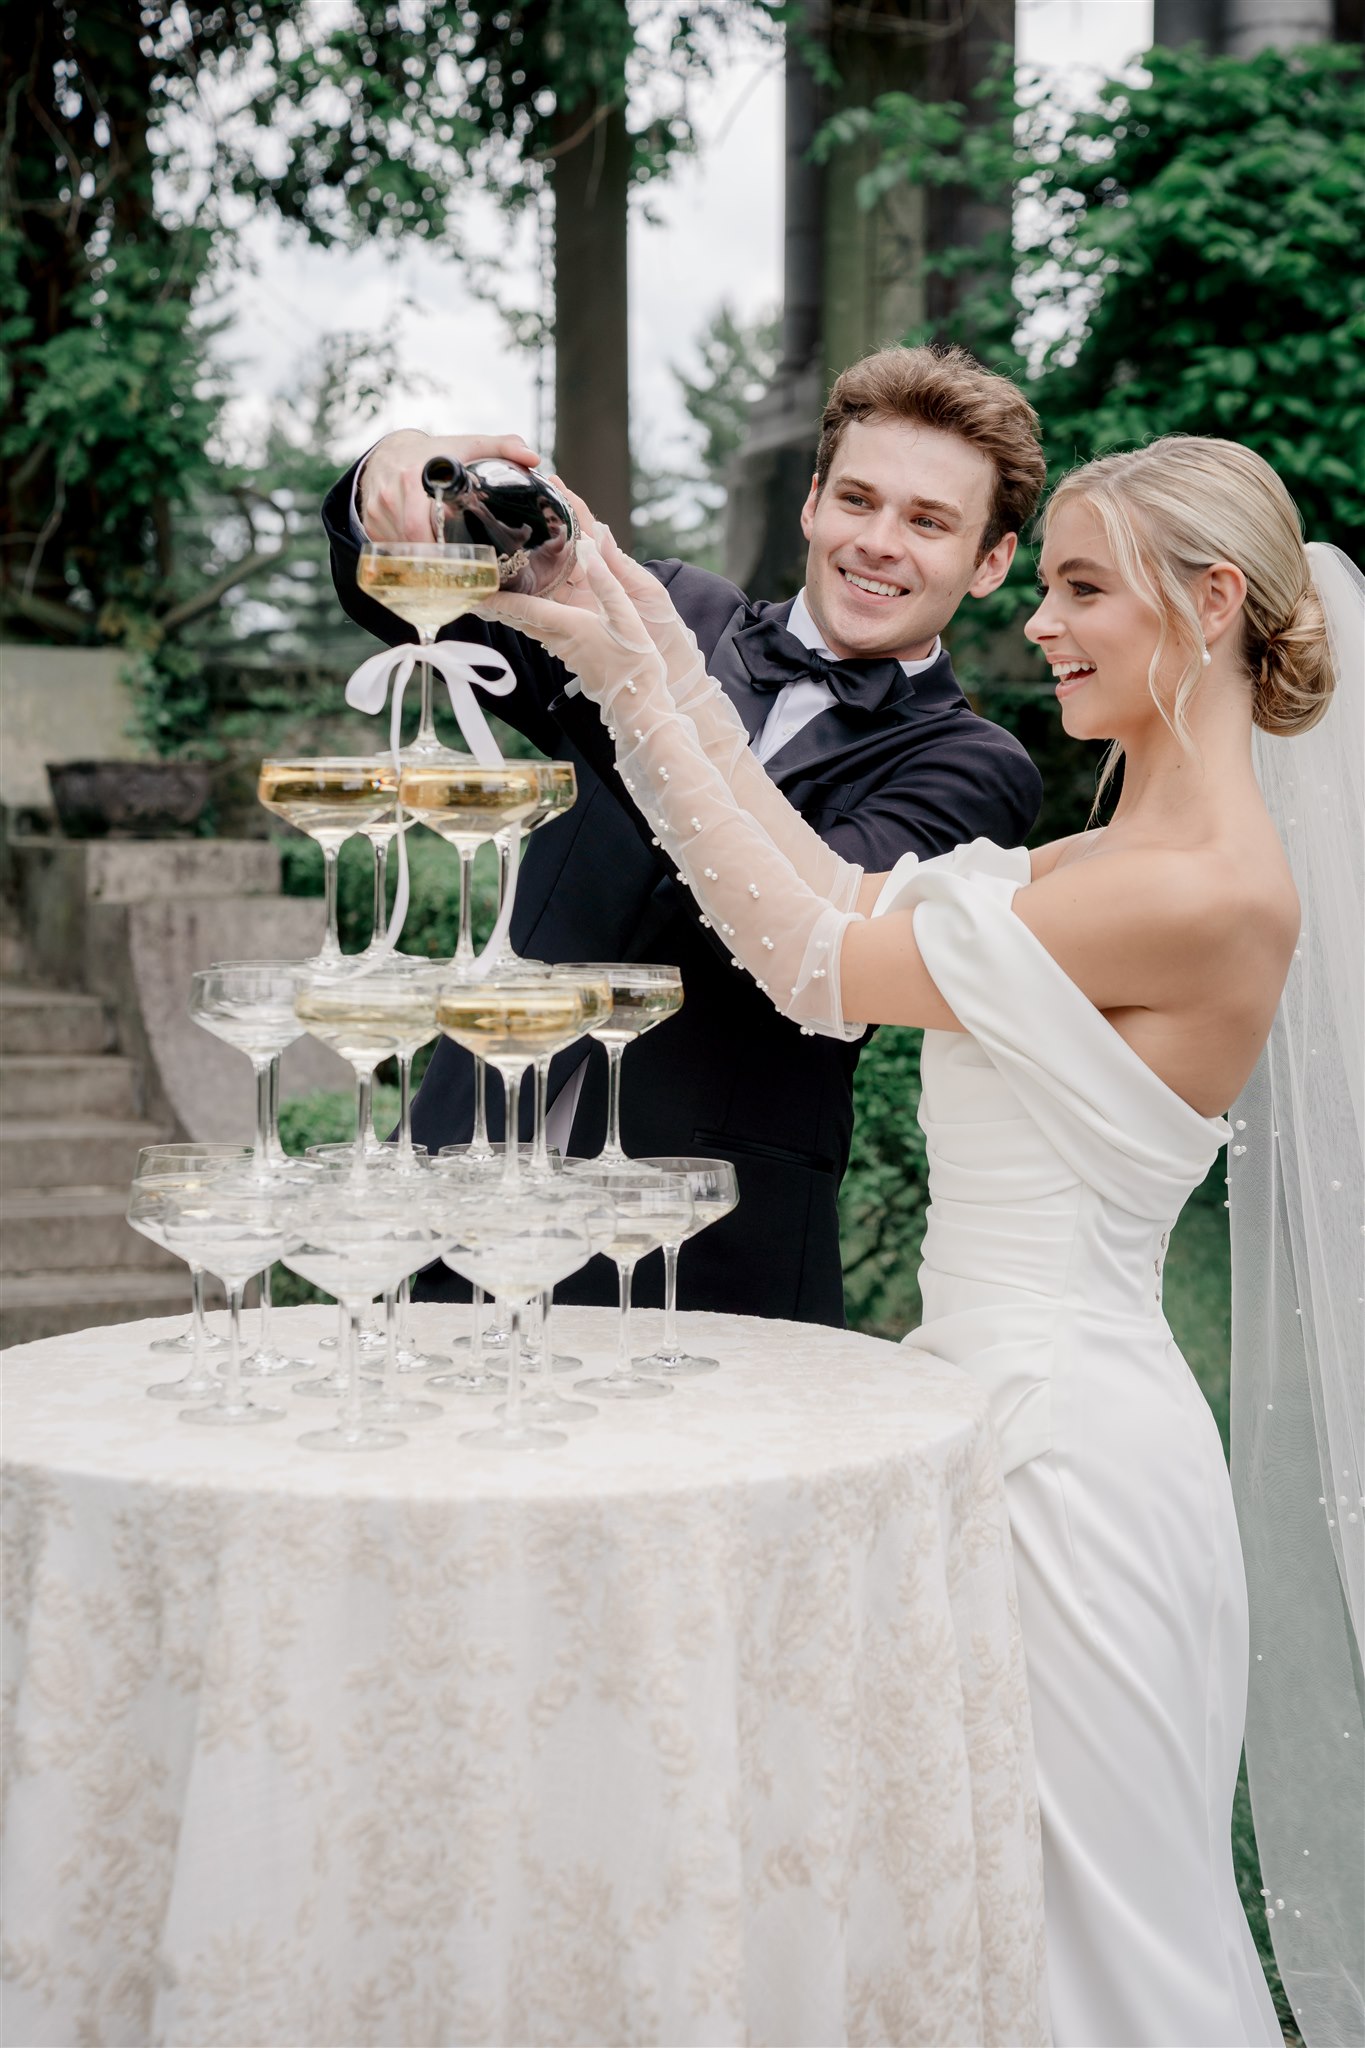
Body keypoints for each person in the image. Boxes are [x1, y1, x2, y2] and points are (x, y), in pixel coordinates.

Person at [476, 436, 1358, 2045]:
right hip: (985, 1419)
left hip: (1071, 1477)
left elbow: (810, 951)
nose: (1048, 626)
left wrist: (634, 671)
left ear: (1212, 599)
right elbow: (820, 893)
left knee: (1089, 1963)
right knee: (955, 1929)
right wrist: (638, 648)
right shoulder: (1101, 862)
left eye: (1084, 588)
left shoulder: (1204, 890)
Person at [324, 344, 1045, 1322]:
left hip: (699, 1261)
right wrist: (399, 471)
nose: (880, 541)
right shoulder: (674, 608)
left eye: (928, 521)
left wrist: (637, 690)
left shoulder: (974, 768)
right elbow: (411, 596)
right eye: (859, 500)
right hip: (455, 1198)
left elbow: (803, 931)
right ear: (813, 501)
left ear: (991, 560)